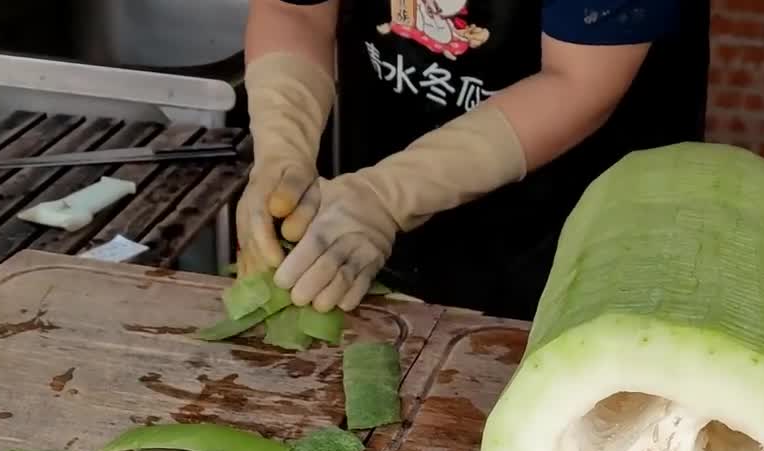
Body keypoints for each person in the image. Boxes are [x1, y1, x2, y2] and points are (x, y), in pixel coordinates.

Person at [235, 0, 709, 319]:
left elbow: (579, 81)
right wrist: (282, 149)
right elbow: (292, 10)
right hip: (397, 193)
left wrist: (385, 196)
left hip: (581, 222)